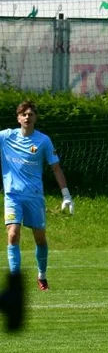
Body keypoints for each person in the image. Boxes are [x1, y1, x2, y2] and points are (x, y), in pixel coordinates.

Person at [1, 101, 73, 291]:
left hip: (34, 197)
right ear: (18, 118)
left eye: (30, 114)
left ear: (35, 118)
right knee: (13, 234)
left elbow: (55, 168)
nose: (27, 117)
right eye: (23, 114)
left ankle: (42, 276)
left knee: (40, 239)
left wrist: (66, 195)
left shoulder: (43, 141)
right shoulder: (5, 137)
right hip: (12, 196)